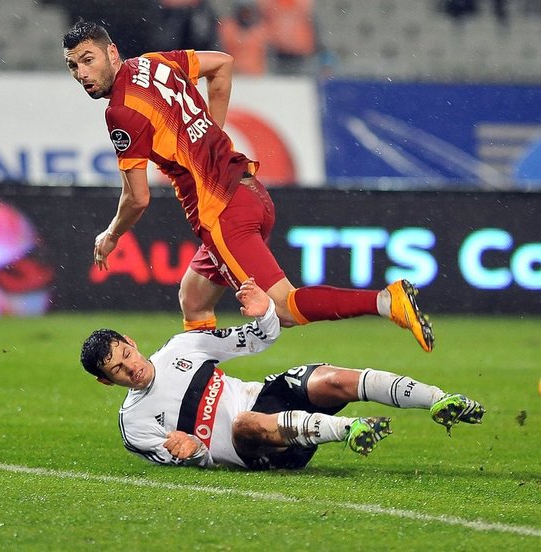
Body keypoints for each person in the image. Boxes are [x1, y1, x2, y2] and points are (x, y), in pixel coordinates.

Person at [62, 20, 435, 353]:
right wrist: (211, 132)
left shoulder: (122, 111)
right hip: (250, 191)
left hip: (223, 212)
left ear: (112, 52)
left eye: (88, 60)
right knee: (194, 299)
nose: (82, 74)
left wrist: (111, 235)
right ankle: (204, 390)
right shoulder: (154, 62)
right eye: (73, 66)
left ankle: (385, 302)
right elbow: (222, 64)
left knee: (283, 308)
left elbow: (137, 198)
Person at [80, 278, 484, 470]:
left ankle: (441, 400)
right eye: (118, 370)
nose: (131, 367)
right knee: (244, 423)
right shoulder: (134, 425)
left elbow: (259, 339)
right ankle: (350, 430)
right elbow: (193, 461)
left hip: (267, 397)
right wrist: (193, 451)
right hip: (256, 449)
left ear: (131, 341)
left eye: (126, 354)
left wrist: (265, 313)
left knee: (330, 379)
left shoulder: (181, 348)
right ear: (106, 381)